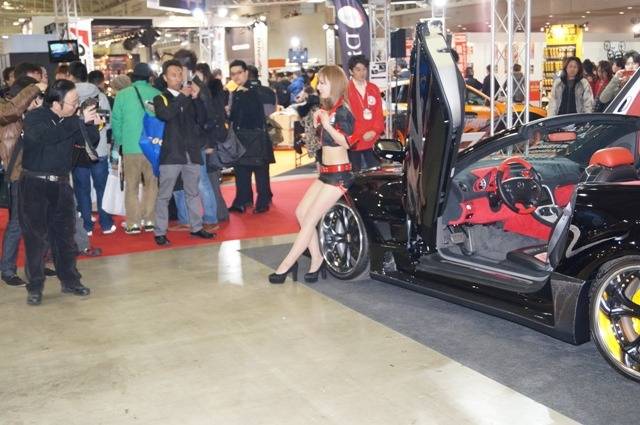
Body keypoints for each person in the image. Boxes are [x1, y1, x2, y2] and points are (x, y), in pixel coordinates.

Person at [269, 65, 355, 284]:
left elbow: (347, 142)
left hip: (339, 176)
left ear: (334, 84)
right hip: (325, 173)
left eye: (323, 82)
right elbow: (320, 144)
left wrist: (327, 125)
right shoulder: (327, 110)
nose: (319, 87)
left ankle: (287, 264)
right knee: (301, 213)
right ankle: (317, 258)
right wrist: (318, 124)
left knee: (309, 220)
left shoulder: (343, 111)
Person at [19, 79, 100, 305]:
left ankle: (70, 281)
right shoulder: (35, 118)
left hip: (62, 185)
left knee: (65, 237)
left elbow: (90, 142)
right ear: (56, 103)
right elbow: (47, 137)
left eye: (78, 102)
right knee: (35, 239)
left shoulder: (72, 120)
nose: (76, 106)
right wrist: (77, 121)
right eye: (73, 102)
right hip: (34, 184)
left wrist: (90, 125)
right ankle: (35, 287)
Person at [152, 59, 214, 246]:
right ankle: (160, 231)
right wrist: (182, 97)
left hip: (191, 151)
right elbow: (165, 114)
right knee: (165, 194)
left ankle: (196, 227)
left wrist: (198, 98)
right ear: (165, 78)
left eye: (180, 74)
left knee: (192, 192)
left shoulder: (189, 97)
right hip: (172, 153)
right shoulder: (160, 98)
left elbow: (202, 119)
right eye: (173, 75)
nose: (178, 78)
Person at [0, 76, 47, 286]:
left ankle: (36, 264)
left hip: (37, 171)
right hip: (19, 174)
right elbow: (10, 113)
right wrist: (34, 90)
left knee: (39, 221)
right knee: (18, 223)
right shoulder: (8, 110)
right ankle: (7, 270)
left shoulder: (27, 111)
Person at [111, 63, 160, 235]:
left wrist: (121, 141)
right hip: (152, 147)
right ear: (149, 78)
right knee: (151, 184)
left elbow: (116, 121)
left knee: (131, 185)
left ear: (133, 78)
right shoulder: (157, 93)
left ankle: (133, 224)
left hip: (131, 146)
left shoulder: (123, 95)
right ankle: (150, 220)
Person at [68, 61, 115, 236]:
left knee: (82, 189)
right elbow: (107, 123)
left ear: (71, 76)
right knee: (102, 188)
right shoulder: (100, 96)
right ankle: (106, 223)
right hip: (99, 149)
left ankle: (87, 226)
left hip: (78, 149)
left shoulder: (68, 96)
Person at [228, 59, 275, 214]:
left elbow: (262, 113)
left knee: (260, 170)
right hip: (242, 136)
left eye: (239, 73)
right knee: (242, 170)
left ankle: (262, 201)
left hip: (257, 135)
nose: (236, 76)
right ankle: (243, 200)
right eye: (233, 74)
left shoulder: (254, 91)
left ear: (246, 73)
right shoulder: (237, 92)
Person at [346, 54, 384, 171]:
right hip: (354, 141)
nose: (362, 73)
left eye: (364, 69)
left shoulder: (373, 88)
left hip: (372, 139)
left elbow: (379, 113)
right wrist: (360, 134)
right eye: (358, 70)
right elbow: (345, 118)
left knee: (375, 174)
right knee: (355, 176)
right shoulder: (346, 90)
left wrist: (374, 131)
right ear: (351, 71)